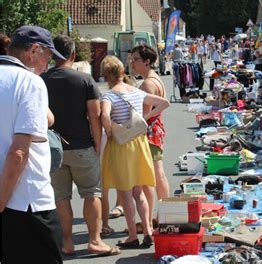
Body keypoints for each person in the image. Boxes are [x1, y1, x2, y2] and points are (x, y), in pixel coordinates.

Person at [41, 35, 120, 256]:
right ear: (73, 55)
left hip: (53, 150)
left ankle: (67, 243)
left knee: (61, 198)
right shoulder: (85, 80)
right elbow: (95, 116)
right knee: (91, 193)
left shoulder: (41, 80)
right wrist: (97, 145)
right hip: (82, 147)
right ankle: (95, 240)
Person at [0, 25, 63, 263]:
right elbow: (18, 152)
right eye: (48, 56)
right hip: (27, 204)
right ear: (34, 51)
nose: (48, 64)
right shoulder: (30, 82)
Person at [100, 55, 170, 249]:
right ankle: (147, 231)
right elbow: (164, 103)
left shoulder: (109, 96)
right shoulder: (136, 92)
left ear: (106, 76)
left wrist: (111, 129)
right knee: (139, 193)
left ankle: (133, 235)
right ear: (122, 72)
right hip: (139, 144)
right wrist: (141, 119)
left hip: (122, 146)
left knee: (126, 193)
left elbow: (105, 115)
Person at [130, 44, 170, 230]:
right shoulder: (156, 79)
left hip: (150, 132)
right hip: (158, 129)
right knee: (157, 173)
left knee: (151, 176)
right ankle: (161, 215)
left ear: (147, 62)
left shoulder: (147, 84)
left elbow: (142, 115)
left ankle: (155, 219)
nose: (132, 63)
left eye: (136, 59)